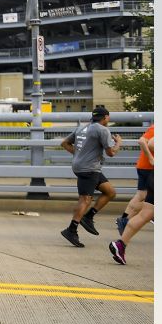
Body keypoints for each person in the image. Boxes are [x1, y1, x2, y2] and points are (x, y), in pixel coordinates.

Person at [59, 106, 122, 247]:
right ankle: (71, 230)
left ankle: (88, 216)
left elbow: (64, 143)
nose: (109, 119)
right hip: (89, 169)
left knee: (110, 192)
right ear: (105, 117)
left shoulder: (82, 128)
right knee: (85, 200)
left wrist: (78, 155)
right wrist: (118, 143)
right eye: (108, 117)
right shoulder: (103, 130)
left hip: (87, 168)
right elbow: (111, 153)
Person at [111, 125, 154, 264]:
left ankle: (121, 244)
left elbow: (150, 143)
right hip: (152, 170)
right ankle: (123, 220)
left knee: (145, 214)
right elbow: (144, 142)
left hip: (154, 173)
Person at [117, 123, 154, 236]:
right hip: (148, 167)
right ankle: (126, 220)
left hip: (144, 166)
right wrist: (151, 158)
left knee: (141, 196)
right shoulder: (155, 128)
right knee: (148, 199)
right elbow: (142, 141)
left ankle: (124, 219)